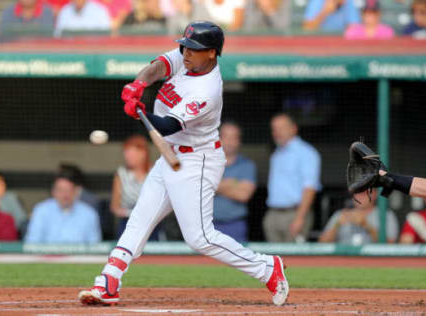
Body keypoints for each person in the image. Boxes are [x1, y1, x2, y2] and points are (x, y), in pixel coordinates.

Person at [78, 21, 288, 307]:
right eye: (185, 46)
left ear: (212, 53)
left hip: (196, 160)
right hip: (171, 155)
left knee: (200, 237)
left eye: (195, 49)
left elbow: (166, 126)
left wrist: (140, 111)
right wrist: (138, 84)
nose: (186, 53)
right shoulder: (186, 57)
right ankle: (109, 281)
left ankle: (266, 268)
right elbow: (158, 66)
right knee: (140, 218)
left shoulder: (207, 90)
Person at [263, 113, 321, 243]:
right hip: (273, 214)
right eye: (274, 129)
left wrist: (300, 218)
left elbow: (310, 187)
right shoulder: (277, 154)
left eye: (282, 128)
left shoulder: (306, 152)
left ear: (293, 128)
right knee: (274, 261)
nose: (277, 132)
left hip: (294, 214)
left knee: (295, 260)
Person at [24, 171, 102, 243]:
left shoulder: (89, 214)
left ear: (76, 191)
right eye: (60, 190)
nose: (64, 195)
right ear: (53, 192)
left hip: (79, 257)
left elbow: (95, 246)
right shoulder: (41, 210)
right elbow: (32, 243)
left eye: (68, 190)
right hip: (46, 257)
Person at [213, 122, 257, 242]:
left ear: (239, 141)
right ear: (218, 139)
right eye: (226, 137)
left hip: (234, 225)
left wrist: (213, 186)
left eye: (234, 137)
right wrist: (230, 184)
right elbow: (196, 191)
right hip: (207, 226)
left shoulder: (247, 165)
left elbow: (243, 195)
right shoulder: (206, 164)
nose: (229, 141)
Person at [110, 135, 160, 239]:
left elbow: (162, 203)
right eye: (126, 153)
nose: (127, 157)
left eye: (131, 154)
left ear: (143, 153)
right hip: (127, 225)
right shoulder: (121, 174)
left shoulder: (156, 172)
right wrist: (130, 213)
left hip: (152, 225)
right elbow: (114, 207)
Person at [319, 189, 399, 244]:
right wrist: (337, 225)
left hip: (373, 261)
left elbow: (390, 244)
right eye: (357, 192)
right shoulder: (340, 214)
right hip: (343, 260)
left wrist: (367, 225)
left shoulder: (385, 215)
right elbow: (322, 243)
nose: (360, 196)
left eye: (364, 192)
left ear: (374, 194)